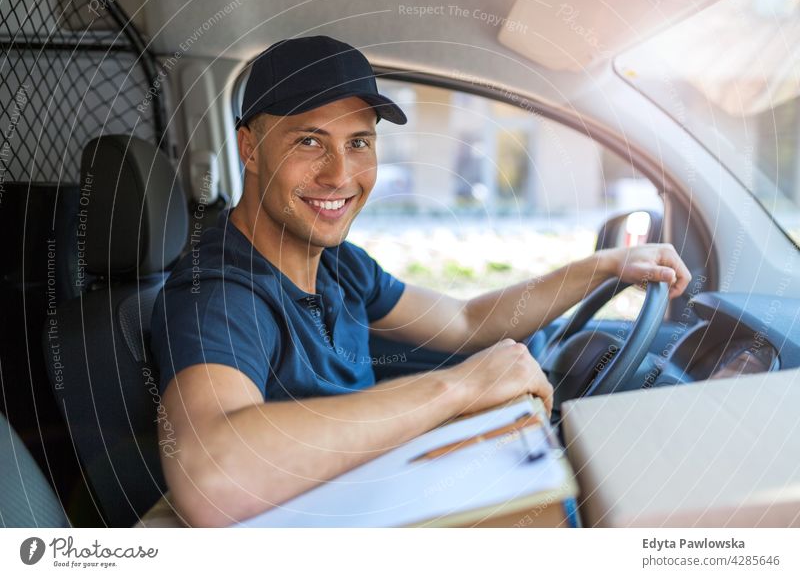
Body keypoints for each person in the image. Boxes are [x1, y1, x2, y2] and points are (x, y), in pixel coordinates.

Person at [150, 35, 691, 527]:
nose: (340, 173)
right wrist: (461, 386)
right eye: (309, 142)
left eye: (359, 143)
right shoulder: (218, 292)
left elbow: (463, 321)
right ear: (249, 147)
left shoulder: (339, 265)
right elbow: (212, 474)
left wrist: (605, 267)